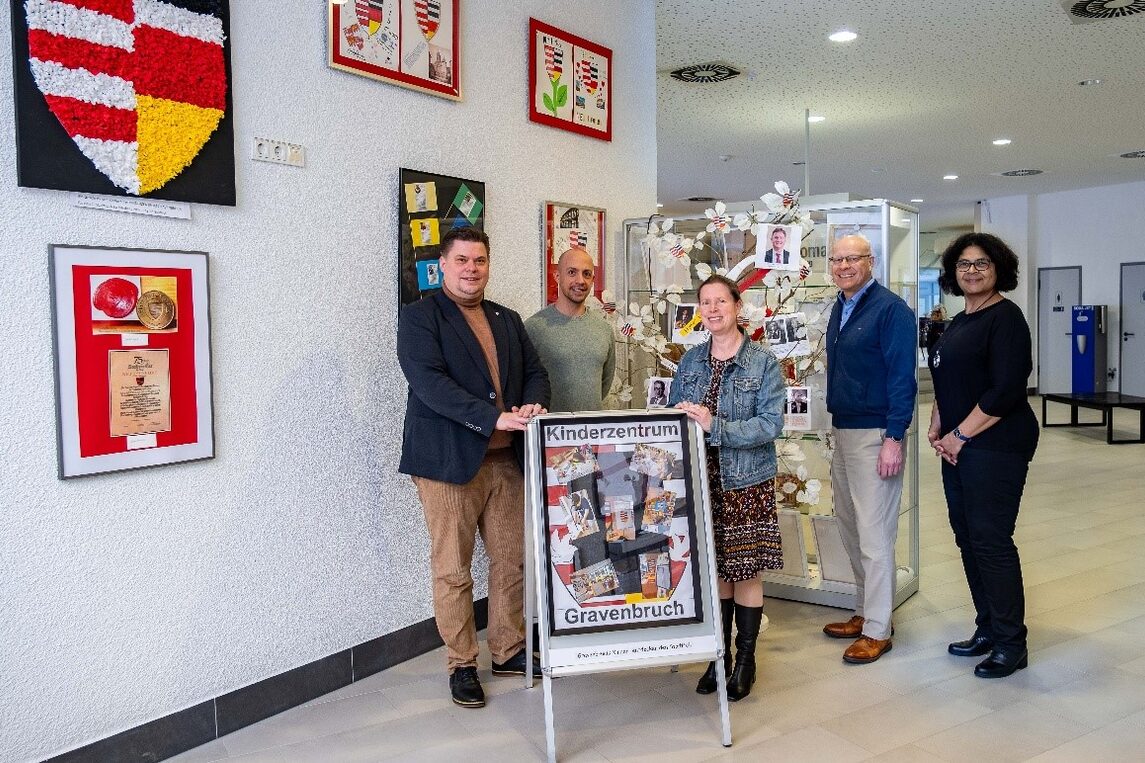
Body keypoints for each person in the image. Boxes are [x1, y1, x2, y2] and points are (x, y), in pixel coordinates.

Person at [397, 226, 551, 708]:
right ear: (443, 265)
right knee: (452, 570)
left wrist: (532, 406)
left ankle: (507, 651)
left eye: (479, 261)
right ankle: (461, 664)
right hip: (447, 464)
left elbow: (535, 373)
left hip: (507, 461)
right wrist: (493, 416)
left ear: (488, 264)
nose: (471, 269)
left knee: (512, 562)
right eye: (461, 260)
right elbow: (429, 384)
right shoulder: (420, 318)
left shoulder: (506, 318)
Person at [668, 274, 785, 701]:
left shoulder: (762, 362)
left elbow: (771, 424)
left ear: (737, 306)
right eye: (706, 303)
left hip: (745, 481)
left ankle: (746, 660)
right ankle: (720, 658)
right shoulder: (691, 361)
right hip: (702, 481)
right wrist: (679, 415)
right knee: (716, 572)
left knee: (746, 572)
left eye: (721, 301)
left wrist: (714, 425)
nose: (713, 309)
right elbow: (672, 416)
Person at [928, 232, 1038, 679]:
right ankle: (989, 627)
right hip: (959, 443)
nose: (972, 271)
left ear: (999, 270)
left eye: (982, 264)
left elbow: (1006, 388)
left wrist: (959, 435)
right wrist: (939, 422)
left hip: (996, 445)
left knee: (991, 541)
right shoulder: (959, 321)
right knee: (967, 538)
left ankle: (1012, 644)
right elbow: (948, 378)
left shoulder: (1006, 319)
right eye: (964, 264)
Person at [823, 234, 917, 664]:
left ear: (870, 262)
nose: (843, 265)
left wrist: (894, 437)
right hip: (843, 431)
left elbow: (903, 378)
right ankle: (864, 612)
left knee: (875, 534)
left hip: (876, 433)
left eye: (852, 258)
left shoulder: (891, 309)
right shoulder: (841, 307)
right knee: (851, 526)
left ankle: (879, 629)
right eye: (837, 259)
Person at [525, 248, 616, 412]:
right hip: (550, 432)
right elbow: (523, 384)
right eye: (572, 272)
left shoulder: (604, 330)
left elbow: (604, 384)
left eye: (587, 274)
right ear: (557, 276)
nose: (580, 280)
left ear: (593, 279)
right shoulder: (533, 328)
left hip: (593, 433)